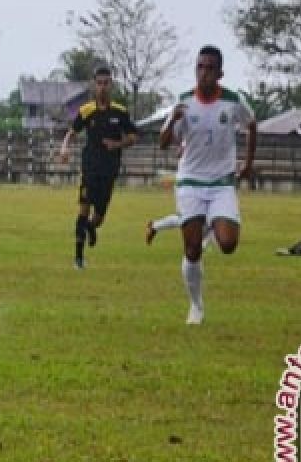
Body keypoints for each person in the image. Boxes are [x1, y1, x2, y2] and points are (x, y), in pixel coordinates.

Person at [158, 45, 256, 325]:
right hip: (190, 181)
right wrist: (171, 122)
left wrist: (247, 164)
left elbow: (252, 125)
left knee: (228, 244)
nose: (204, 73)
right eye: (200, 67)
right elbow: (164, 143)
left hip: (223, 182)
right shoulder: (184, 103)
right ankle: (196, 306)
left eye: (210, 68)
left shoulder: (233, 101)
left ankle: (212, 225)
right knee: (191, 250)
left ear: (220, 72)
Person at [57, 66, 139, 268]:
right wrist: (64, 147)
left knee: (99, 218)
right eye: (99, 83)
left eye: (106, 83)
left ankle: (92, 229)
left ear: (111, 85)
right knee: (83, 209)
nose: (102, 87)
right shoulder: (87, 110)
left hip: (109, 170)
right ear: (94, 85)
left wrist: (117, 144)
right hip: (90, 168)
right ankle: (78, 258)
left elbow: (133, 137)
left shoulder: (120, 112)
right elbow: (72, 132)